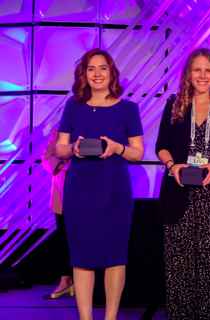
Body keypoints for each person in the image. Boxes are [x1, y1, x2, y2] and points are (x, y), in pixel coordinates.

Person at [55, 48, 144, 320]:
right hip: (79, 190)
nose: (97, 74)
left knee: (115, 256)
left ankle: (110, 318)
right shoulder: (73, 105)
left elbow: (138, 153)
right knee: (81, 257)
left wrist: (118, 147)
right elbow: (59, 149)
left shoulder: (129, 108)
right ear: (84, 73)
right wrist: (73, 148)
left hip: (115, 190)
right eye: (91, 68)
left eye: (102, 68)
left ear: (111, 72)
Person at [155, 48, 210, 320]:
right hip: (177, 195)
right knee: (178, 270)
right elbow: (161, 146)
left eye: (208, 70)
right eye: (197, 70)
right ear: (188, 74)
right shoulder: (174, 106)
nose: (202, 75)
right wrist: (173, 166)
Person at [41, 127, 74, 299]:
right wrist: (63, 165)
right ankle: (66, 280)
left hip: (86, 187)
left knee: (84, 237)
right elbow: (46, 157)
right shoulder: (59, 130)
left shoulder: (92, 124)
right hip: (63, 186)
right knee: (64, 237)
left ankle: (83, 281)